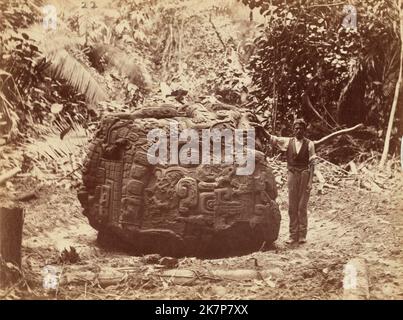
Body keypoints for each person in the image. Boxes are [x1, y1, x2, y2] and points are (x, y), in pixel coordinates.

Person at [268, 119, 316, 245]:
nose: (298, 130)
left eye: (301, 128)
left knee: (302, 206)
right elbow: (273, 139)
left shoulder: (310, 144)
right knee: (292, 206)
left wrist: (310, 182)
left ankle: (302, 235)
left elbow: (312, 164)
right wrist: (261, 130)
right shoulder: (288, 142)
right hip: (292, 174)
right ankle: (293, 235)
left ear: (304, 130)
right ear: (293, 129)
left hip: (305, 175)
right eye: (296, 128)